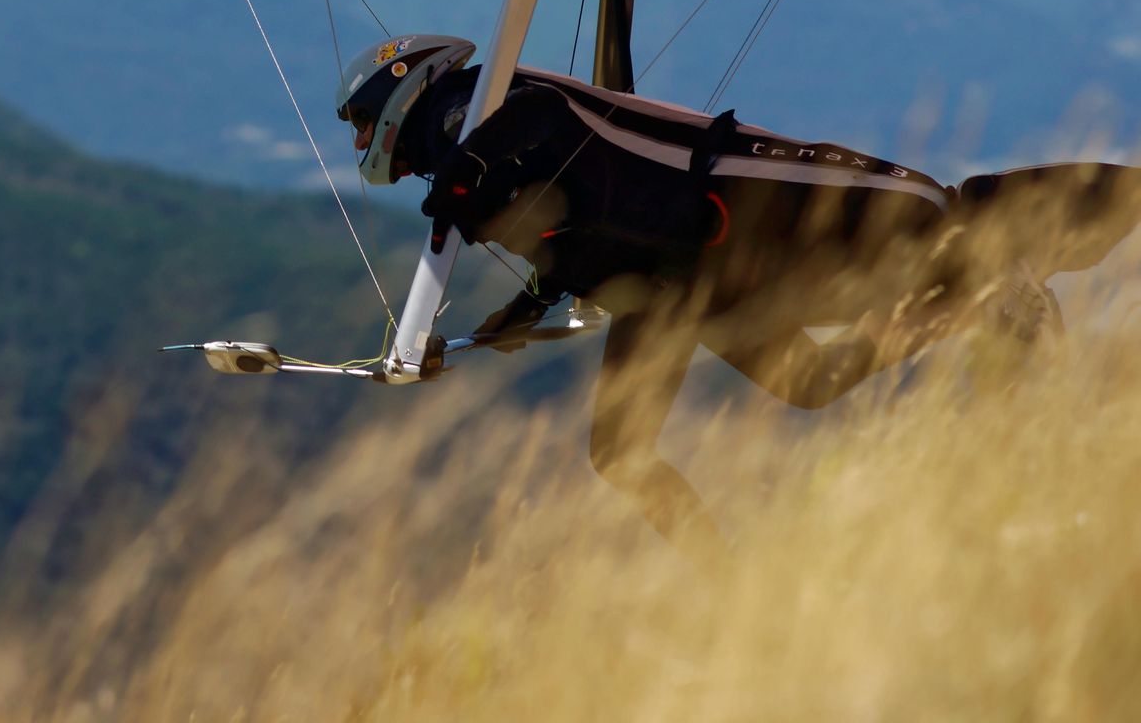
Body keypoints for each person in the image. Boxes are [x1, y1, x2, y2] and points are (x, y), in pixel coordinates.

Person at [336, 34, 1141, 550]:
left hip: (729, 186)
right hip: (673, 289)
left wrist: (468, 168)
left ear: (401, 90)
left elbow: (544, 119)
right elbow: (571, 217)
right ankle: (721, 572)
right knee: (704, 421)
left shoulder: (470, 108)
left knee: (939, 216)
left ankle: (1062, 234)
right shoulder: (465, 163)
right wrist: (531, 300)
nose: (364, 144)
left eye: (363, 125)